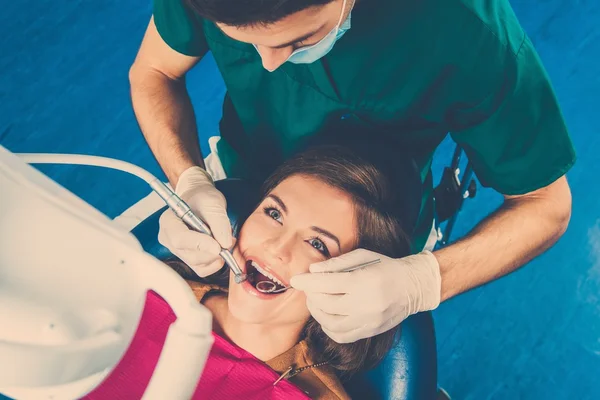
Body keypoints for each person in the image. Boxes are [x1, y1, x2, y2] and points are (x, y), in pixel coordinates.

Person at [129, 0, 576, 344]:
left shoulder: (468, 33)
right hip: (237, 176)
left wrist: (422, 282)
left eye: (298, 40)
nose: (268, 63)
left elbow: (545, 205)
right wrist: (187, 178)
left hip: (386, 229)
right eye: (243, 42)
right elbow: (154, 71)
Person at [85, 140, 423, 399]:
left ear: (352, 284)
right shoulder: (141, 285)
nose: (276, 247)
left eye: (317, 244)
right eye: (274, 214)